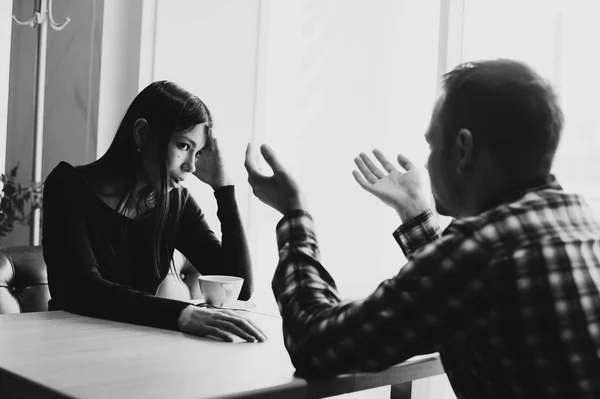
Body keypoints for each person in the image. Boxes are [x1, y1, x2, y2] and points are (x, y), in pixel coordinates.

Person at [244, 59, 600, 397]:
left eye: (431, 143)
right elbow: (463, 293)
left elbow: (315, 343)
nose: (427, 160)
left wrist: (294, 213)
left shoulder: (482, 251)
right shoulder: (581, 224)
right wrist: (416, 212)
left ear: (463, 149)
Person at [43, 80, 266, 343]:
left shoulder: (176, 201)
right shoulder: (66, 186)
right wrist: (181, 313)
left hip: (138, 348)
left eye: (198, 153)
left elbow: (238, 287)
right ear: (141, 132)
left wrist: (224, 190)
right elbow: (82, 290)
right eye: (184, 146)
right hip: (67, 346)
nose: (191, 167)